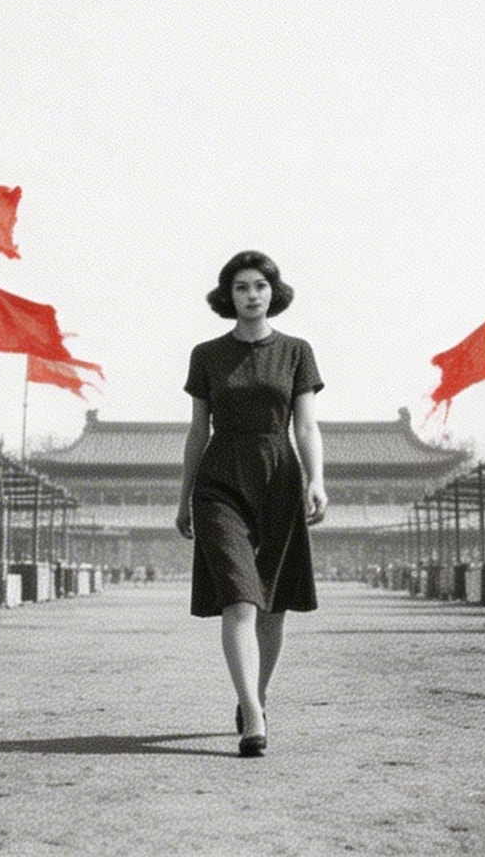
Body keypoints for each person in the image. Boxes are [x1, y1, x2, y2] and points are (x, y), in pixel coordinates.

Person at [176, 249, 326, 759]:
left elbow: (306, 425)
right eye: (240, 287)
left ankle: (254, 696)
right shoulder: (206, 355)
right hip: (220, 481)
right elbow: (197, 431)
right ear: (228, 296)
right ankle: (255, 719)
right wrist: (183, 498)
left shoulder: (297, 352)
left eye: (259, 286)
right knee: (240, 598)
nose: (251, 295)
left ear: (273, 293)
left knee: (273, 606)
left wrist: (316, 479)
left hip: (279, 476)